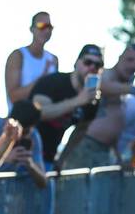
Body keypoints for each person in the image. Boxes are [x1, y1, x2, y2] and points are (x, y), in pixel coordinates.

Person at [58, 43, 135, 170]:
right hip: (86, 146)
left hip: (104, 152)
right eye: (130, 60)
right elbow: (101, 86)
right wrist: (134, 90)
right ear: (120, 58)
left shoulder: (122, 87)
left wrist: (118, 158)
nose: (133, 66)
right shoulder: (106, 75)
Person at [0, 12, 59, 144]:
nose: (46, 30)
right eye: (42, 25)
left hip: (43, 128)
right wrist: (43, 79)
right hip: (17, 125)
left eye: (50, 27)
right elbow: (14, 96)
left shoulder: (53, 60)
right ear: (32, 29)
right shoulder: (18, 56)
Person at [28, 43, 103, 171]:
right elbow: (38, 113)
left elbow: (80, 130)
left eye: (98, 65)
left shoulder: (92, 101)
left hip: (48, 160)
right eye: (88, 62)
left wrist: (62, 159)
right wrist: (78, 100)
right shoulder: (53, 82)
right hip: (23, 154)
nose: (92, 68)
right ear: (76, 63)